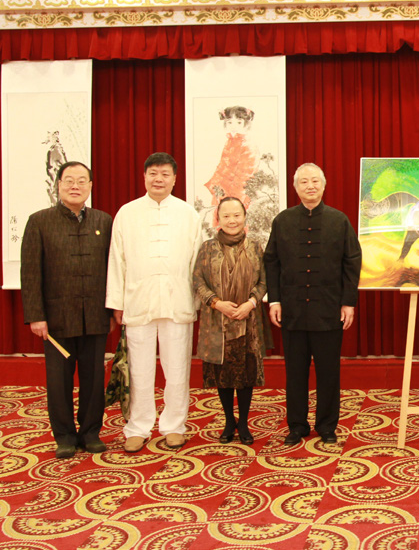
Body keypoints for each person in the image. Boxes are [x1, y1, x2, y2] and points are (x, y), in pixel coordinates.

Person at [106, 152, 202, 453]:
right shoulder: (127, 213)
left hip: (178, 300)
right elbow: (117, 260)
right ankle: (138, 426)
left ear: (175, 179)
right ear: (144, 177)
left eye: (165, 174)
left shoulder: (188, 214)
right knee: (139, 369)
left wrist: (198, 301)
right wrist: (117, 302)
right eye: (153, 173)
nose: (158, 179)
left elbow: (197, 261)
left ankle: (174, 426)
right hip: (138, 300)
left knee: (178, 368)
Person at [264, 163, 362, 445]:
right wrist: (274, 300)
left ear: (324, 185)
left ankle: (327, 425)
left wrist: (348, 303)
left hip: (328, 309)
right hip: (291, 309)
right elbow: (271, 262)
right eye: (304, 181)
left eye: (315, 181)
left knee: (329, 372)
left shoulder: (339, 220)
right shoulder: (282, 221)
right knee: (295, 372)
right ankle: (296, 425)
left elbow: (352, 262)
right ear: (295, 187)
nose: (310, 186)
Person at [21, 161, 113, 459]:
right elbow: (30, 272)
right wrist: (36, 316)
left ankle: (90, 432)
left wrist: (113, 310)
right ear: (58, 185)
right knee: (58, 382)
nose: (75, 186)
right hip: (56, 319)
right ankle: (64, 436)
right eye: (69, 180)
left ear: (90, 186)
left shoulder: (103, 221)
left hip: (95, 316)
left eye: (82, 180)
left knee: (93, 380)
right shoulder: (40, 221)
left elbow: (114, 269)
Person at [193, 197, 270, 445]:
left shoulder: (255, 247)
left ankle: (244, 422)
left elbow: (264, 281)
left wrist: (250, 303)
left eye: (237, 215)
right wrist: (217, 303)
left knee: (246, 374)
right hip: (217, 321)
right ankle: (229, 421)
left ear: (244, 217)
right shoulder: (207, 248)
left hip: (248, 319)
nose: (232, 220)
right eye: (226, 216)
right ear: (218, 219)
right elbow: (197, 281)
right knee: (222, 374)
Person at [205, 106, 258, 208]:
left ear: (246, 124)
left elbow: (245, 175)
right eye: (230, 122)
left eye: (239, 122)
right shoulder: (230, 142)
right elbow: (222, 165)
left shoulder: (248, 145)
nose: (234, 126)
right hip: (222, 188)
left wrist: (233, 196)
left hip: (238, 191)